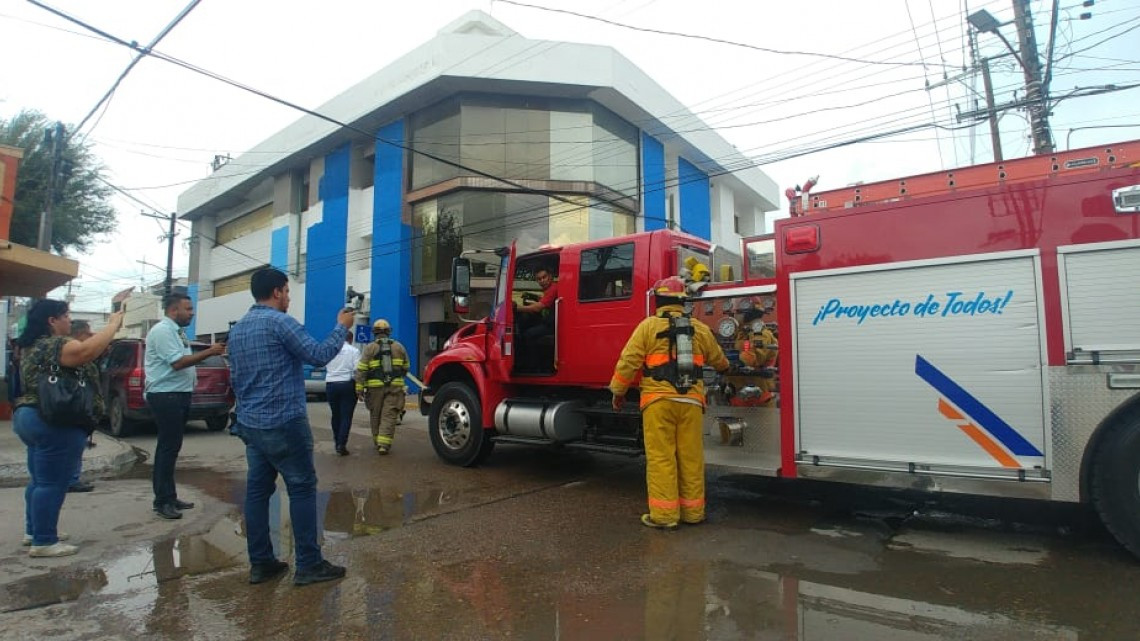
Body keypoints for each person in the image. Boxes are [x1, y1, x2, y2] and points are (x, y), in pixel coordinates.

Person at [228, 267, 354, 587]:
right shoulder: (280, 323)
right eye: (287, 291)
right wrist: (341, 327)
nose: (289, 297)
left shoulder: (239, 329)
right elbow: (318, 355)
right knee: (301, 487)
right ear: (277, 292)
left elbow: (236, 379)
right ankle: (309, 564)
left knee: (258, 492)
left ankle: (261, 563)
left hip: (252, 425)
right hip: (285, 421)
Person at [609, 276, 729, 530]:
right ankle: (693, 513)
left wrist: (618, 391)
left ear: (658, 300)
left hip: (657, 402)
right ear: (682, 301)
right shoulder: (699, 328)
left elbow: (628, 362)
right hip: (692, 402)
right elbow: (719, 360)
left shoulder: (647, 327)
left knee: (662, 458)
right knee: (691, 457)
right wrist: (726, 366)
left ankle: (664, 517)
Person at [13, 300, 123, 557]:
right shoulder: (54, 344)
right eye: (66, 316)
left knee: (40, 481)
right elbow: (85, 352)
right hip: (55, 420)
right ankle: (44, 541)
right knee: (53, 483)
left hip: (30, 415)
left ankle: (35, 530)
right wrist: (113, 326)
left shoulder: (33, 346)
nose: (69, 321)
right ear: (52, 320)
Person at [144, 293, 226, 520]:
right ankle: (162, 501)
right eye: (188, 309)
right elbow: (178, 362)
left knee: (172, 448)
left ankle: (169, 496)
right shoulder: (162, 331)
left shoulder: (176, 331)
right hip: (165, 395)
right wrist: (209, 351)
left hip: (178, 395)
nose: (192, 313)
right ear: (173, 310)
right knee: (167, 448)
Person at [355, 319, 409, 455]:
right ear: (389, 332)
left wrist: (359, 388)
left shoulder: (369, 348)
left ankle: (377, 441)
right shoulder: (399, 347)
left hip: (374, 389)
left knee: (375, 415)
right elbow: (406, 367)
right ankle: (383, 445)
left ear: (374, 333)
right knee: (389, 416)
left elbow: (361, 369)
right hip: (394, 388)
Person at [66, 320, 100, 493]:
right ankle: (71, 479)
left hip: (80, 407)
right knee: (74, 444)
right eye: (88, 333)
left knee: (76, 443)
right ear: (79, 334)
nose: (91, 336)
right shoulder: (75, 354)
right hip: (74, 408)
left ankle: (72, 478)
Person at [514, 267, 558, 371]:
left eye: (544, 277)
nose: (542, 280)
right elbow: (544, 300)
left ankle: (533, 366)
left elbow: (537, 308)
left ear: (550, 277)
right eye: (539, 279)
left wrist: (516, 308)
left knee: (528, 334)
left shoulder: (553, 289)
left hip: (552, 325)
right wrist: (533, 297)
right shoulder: (550, 289)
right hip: (551, 321)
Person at [324, 332, 361, 456]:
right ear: (350, 339)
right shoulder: (353, 351)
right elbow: (357, 370)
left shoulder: (330, 350)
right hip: (347, 384)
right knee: (346, 416)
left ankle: (336, 442)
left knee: (336, 415)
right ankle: (341, 444)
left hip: (331, 384)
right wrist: (360, 388)